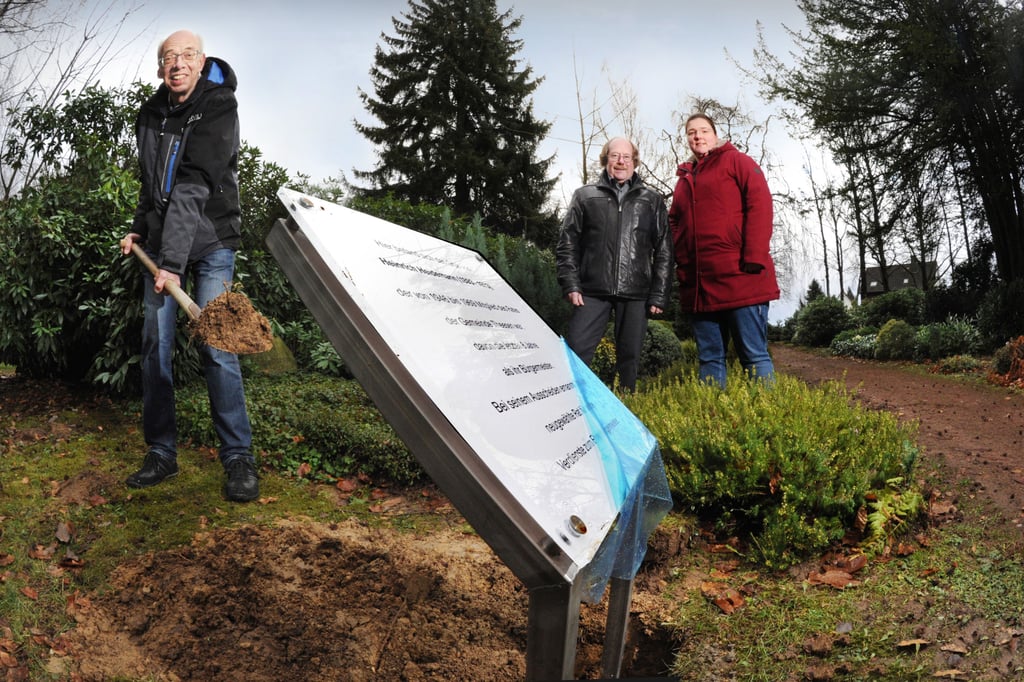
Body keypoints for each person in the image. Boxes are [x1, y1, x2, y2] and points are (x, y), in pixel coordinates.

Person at [119, 30, 258, 502]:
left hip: (212, 240)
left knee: (218, 345)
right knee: (155, 344)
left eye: (186, 56)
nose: (176, 64)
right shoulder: (151, 113)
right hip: (161, 244)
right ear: (160, 68)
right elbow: (153, 181)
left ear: (202, 62)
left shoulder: (218, 107)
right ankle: (161, 452)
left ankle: (238, 458)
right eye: (167, 58)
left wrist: (173, 263)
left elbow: (195, 183)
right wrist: (140, 227)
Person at [668, 113, 780, 388]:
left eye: (704, 130)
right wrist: (682, 259)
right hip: (701, 285)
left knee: (753, 356)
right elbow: (674, 220)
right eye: (692, 132)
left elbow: (760, 204)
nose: (698, 136)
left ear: (715, 135)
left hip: (741, 278)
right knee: (709, 359)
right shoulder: (684, 179)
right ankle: (712, 419)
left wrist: (753, 257)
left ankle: (769, 418)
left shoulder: (738, 162)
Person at [556, 137, 673, 391]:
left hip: (635, 293)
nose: (621, 161)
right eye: (614, 156)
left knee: (629, 361)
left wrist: (659, 294)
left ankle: (625, 408)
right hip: (591, 291)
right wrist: (571, 284)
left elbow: (664, 248)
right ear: (606, 160)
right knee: (574, 351)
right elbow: (567, 243)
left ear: (634, 161)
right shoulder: (585, 196)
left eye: (626, 157)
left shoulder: (651, 199)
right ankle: (572, 406)